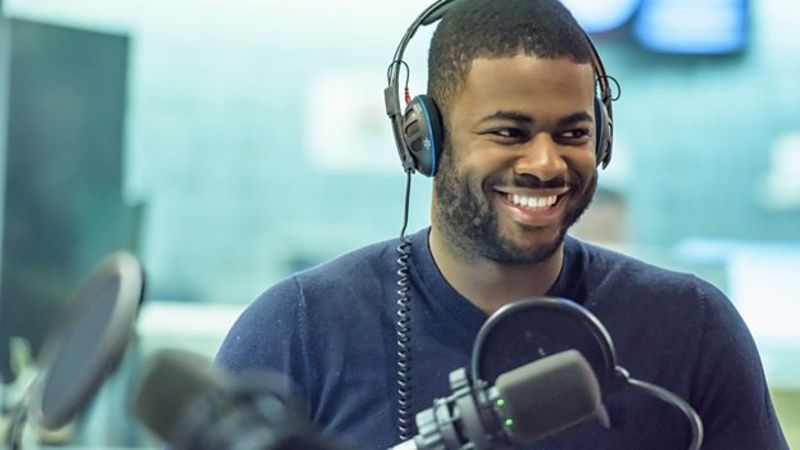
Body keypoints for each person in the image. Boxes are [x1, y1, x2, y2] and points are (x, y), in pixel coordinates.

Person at [215, 0, 789, 449]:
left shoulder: (691, 328)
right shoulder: (298, 330)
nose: (545, 163)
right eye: (509, 133)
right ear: (425, 140)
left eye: (573, 133)